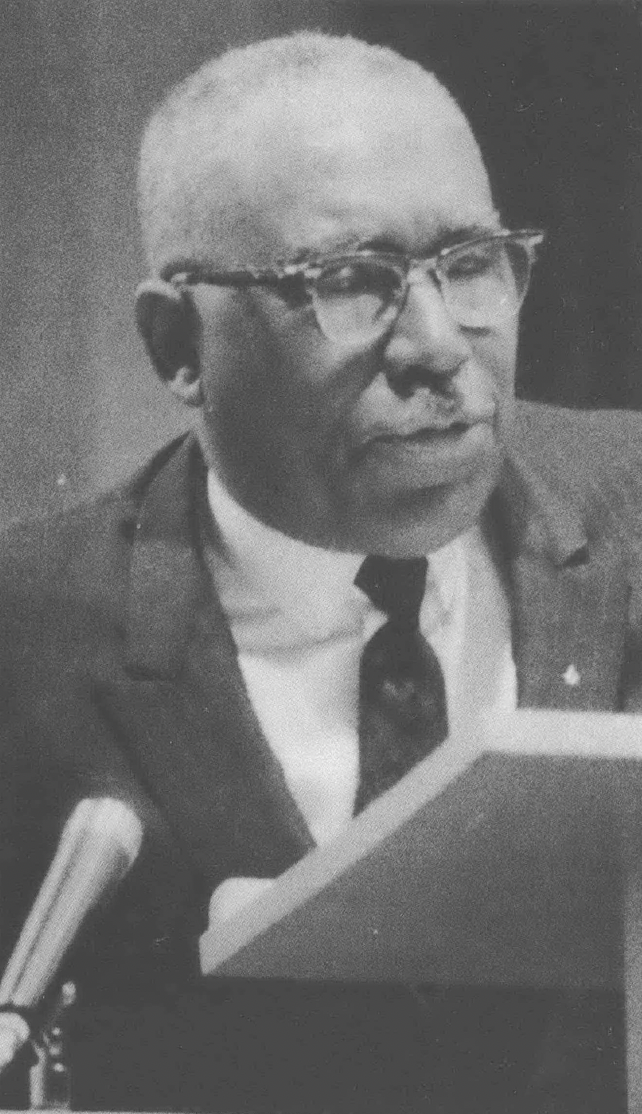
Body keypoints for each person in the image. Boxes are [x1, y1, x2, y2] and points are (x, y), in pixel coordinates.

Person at [0, 30, 640, 1114]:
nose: (438, 343)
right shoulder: (29, 640)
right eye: (351, 281)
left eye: (473, 263)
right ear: (176, 347)